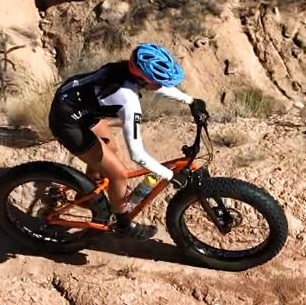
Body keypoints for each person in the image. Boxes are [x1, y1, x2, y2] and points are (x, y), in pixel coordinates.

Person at [49, 43, 207, 239]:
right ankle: (123, 224)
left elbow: (156, 87)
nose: (162, 85)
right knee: (119, 175)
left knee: (110, 146)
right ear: (142, 78)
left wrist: (190, 101)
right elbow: (137, 155)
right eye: (158, 81)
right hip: (67, 120)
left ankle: (85, 193)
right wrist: (168, 174)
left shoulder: (126, 71)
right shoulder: (127, 99)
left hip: (76, 103)